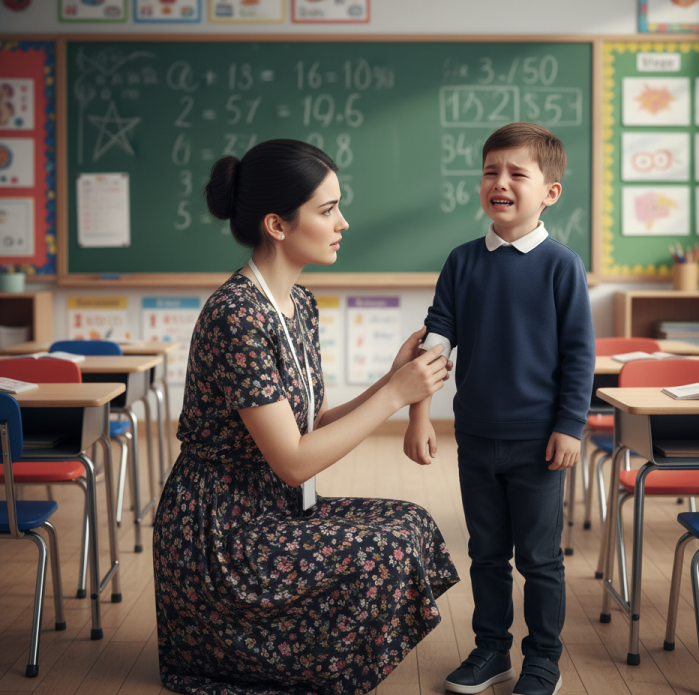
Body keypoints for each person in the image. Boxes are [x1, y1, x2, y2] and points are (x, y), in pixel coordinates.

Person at [153, 139, 460, 695]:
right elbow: (293, 461)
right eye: (327, 210)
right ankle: (268, 657)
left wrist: (391, 381)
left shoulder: (299, 303)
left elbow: (309, 425)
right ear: (277, 224)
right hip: (222, 534)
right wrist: (394, 398)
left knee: (411, 524)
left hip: (273, 510)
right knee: (384, 548)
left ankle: (310, 657)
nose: (343, 222)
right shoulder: (236, 315)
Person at [405, 123, 595, 695]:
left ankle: (543, 659)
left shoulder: (562, 266)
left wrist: (570, 426)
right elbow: (434, 342)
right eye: (491, 171)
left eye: (517, 173)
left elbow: (579, 355)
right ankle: (492, 650)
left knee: (539, 560)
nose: (501, 183)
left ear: (550, 192)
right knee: (486, 555)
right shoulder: (462, 262)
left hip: (539, 442)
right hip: (477, 438)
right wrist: (418, 416)